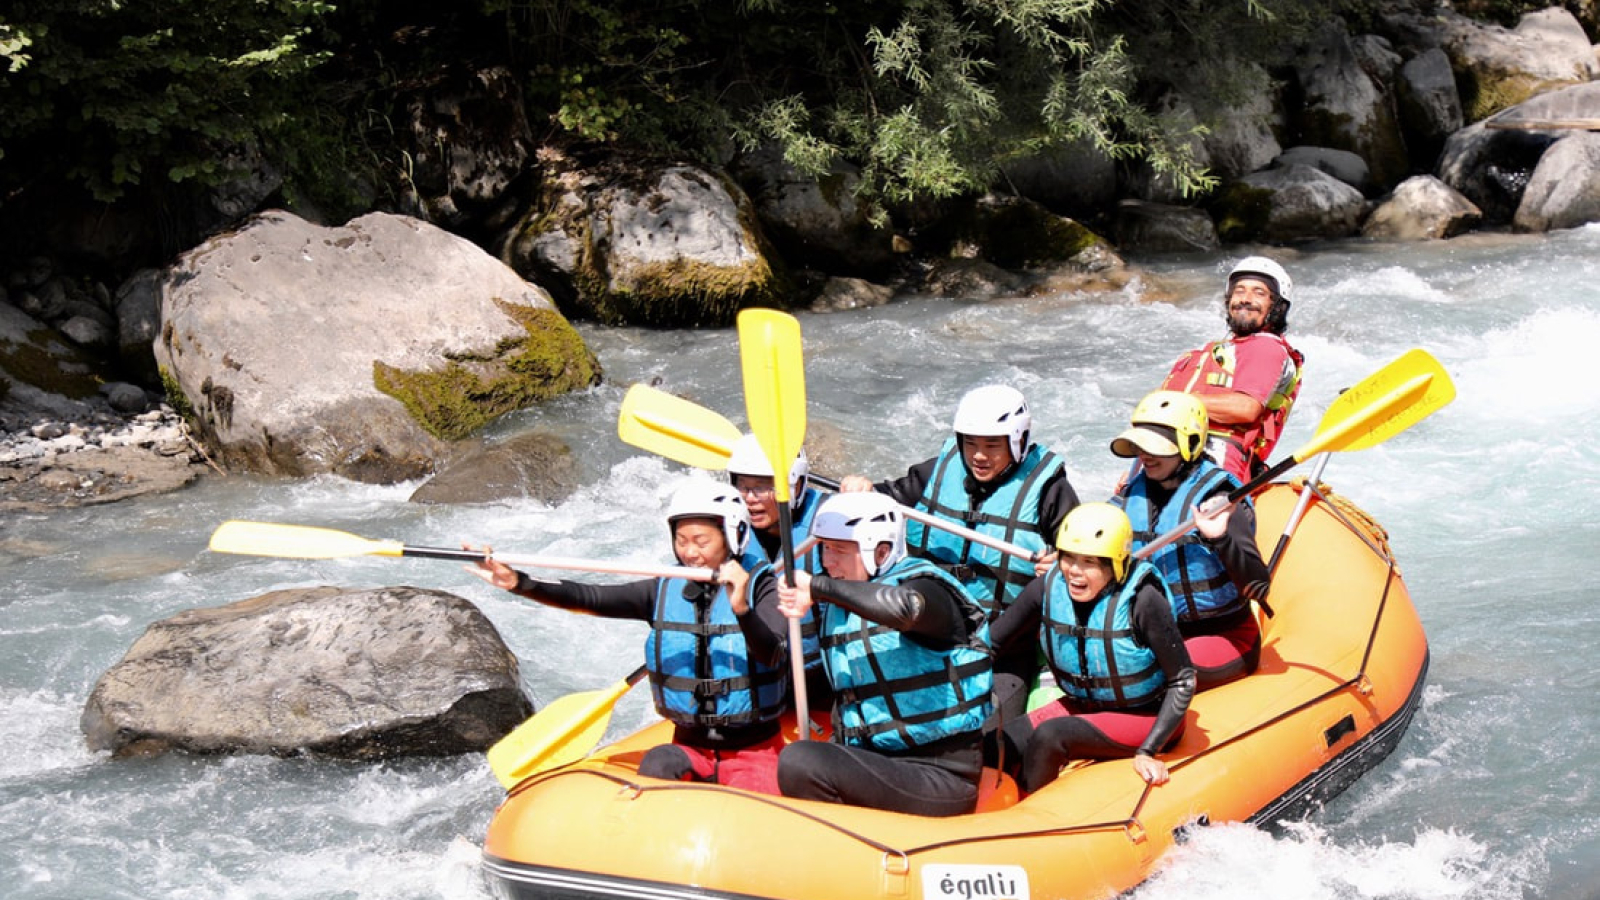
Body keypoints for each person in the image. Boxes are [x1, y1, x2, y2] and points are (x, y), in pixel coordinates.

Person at [468, 479, 791, 795]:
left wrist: (742, 608)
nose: (690, 552)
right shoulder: (664, 589)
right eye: (681, 541)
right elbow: (591, 597)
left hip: (754, 750)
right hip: (690, 746)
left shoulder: (763, 585)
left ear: (732, 536)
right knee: (658, 762)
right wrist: (519, 582)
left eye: (701, 541)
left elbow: (771, 653)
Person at [838, 384, 1078, 719]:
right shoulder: (938, 471)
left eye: (992, 445)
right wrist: (863, 491)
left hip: (1004, 646)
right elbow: (885, 500)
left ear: (1017, 442)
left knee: (986, 733)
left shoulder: (1050, 491)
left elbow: (1083, 552)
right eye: (971, 443)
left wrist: (1063, 561)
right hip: (930, 635)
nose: (979, 455)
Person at [773, 491, 994, 817]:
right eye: (824, 548)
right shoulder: (844, 608)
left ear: (881, 551)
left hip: (940, 774)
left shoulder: (927, 589)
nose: (827, 562)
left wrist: (817, 588)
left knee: (801, 761)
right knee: (799, 758)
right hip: (877, 761)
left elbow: (904, 608)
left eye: (839, 550)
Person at [988, 503, 1196, 794]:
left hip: (1145, 717)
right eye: (1068, 558)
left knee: (1051, 735)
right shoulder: (1047, 588)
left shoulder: (1144, 601)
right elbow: (992, 643)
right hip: (1083, 705)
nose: (1074, 571)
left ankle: (1033, 818)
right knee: (993, 744)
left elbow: (1183, 679)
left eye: (1089, 562)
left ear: (1115, 563)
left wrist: (1148, 750)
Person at [1110, 390, 1270, 690]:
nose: (1144, 455)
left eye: (1155, 447)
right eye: (1140, 445)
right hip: (1158, 632)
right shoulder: (1132, 492)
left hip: (1223, 637)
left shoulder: (1219, 498)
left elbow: (1259, 586)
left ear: (1190, 444)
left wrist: (1220, 538)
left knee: (1140, 674)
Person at [1160, 256, 1305, 481]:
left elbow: (1245, 408)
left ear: (1276, 306)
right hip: (1167, 459)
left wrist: (1171, 402)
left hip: (1214, 466)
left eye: (1259, 293)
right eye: (1239, 291)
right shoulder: (1219, 350)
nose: (1245, 299)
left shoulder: (1265, 347)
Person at [726, 433, 830, 704]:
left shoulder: (830, 527)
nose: (749, 499)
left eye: (761, 487)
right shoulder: (725, 530)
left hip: (822, 679)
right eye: (742, 486)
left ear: (795, 486)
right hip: (761, 674)